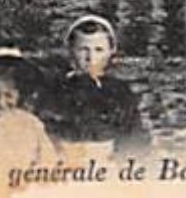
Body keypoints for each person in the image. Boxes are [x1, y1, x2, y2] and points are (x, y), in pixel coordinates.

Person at [39, 15, 150, 158]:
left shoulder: (120, 92)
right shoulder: (55, 90)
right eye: (83, 50)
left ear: (111, 51)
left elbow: (135, 141)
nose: (90, 58)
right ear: (70, 50)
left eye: (98, 50)